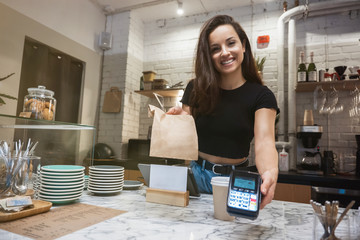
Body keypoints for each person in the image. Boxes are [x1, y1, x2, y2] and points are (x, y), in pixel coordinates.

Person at [167, 15, 279, 209]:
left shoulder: (262, 96)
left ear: (243, 45)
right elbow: (186, 137)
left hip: (236, 181)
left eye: (231, 43)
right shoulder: (195, 88)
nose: (225, 53)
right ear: (209, 56)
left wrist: (269, 172)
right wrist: (176, 122)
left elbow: (265, 142)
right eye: (215, 49)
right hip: (196, 175)